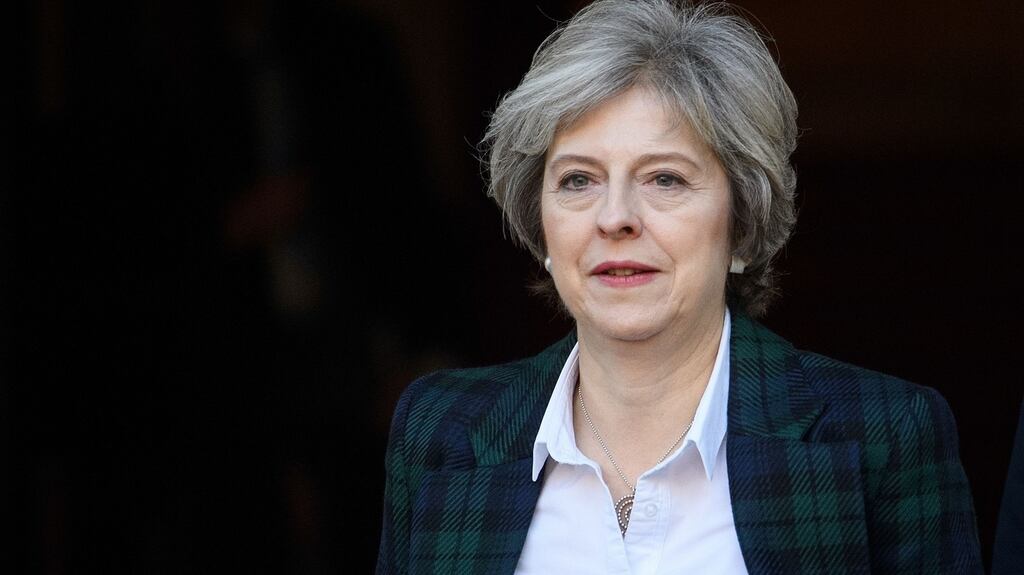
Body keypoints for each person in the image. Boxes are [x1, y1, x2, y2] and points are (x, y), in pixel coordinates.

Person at [376, 1, 983, 573]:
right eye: (578, 180)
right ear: (542, 227)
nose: (615, 217)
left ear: (742, 226)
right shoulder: (441, 432)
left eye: (664, 179)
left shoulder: (883, 436)